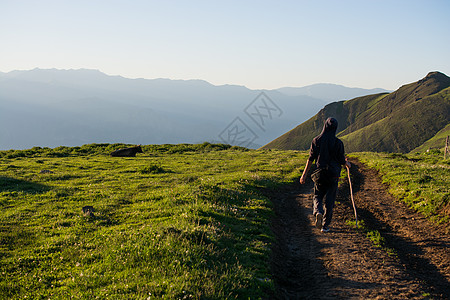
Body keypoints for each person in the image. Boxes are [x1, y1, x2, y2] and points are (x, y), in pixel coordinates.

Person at [299, 117, 351, 232]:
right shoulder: (338, 143)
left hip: (320, 173)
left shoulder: (316, 140)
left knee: (317, 195)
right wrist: (347, 164)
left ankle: (318, 211)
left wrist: (303, 175)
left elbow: (310, 159)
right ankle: (325, 226)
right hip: (333, 174)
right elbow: (341, 160)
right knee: (330, 200)